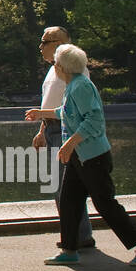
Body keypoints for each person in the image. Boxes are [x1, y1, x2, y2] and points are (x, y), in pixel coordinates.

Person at [28, 44, 136, 267]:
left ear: (64, 67)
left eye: (57, 63)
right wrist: (42, 113)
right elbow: (65, 112)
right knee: (69, 201)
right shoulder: (72, 85)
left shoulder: (81, 87)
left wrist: (70, 142)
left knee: (105, 204)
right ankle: (69, 249)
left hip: (94, 158)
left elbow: (94, 121)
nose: (55, 66)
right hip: (80, 158)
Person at [24, 26, 94, 250]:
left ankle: (77, 237)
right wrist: (42, 131)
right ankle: (78, 236)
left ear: (58, 43)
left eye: (44, 42)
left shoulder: (74, 69)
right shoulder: (54, 69)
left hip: (66, 130)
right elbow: (52, 101)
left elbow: (73, 108)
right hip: (53, 129)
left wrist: (69, 137)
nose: (40, 46)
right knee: (63, 186)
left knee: (66, 187)